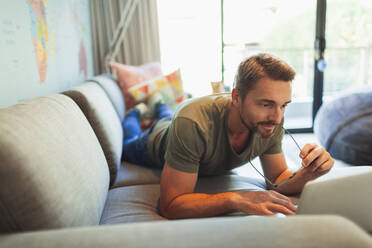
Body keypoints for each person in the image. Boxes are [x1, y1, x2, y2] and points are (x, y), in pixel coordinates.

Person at [122, 53, 334, 219]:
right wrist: (236, 198)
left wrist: (310, 172)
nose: (277, 118)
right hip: (154, 141)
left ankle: (158, 104)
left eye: (284, 105)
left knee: (165, 113)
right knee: (130, 138)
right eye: (266, 104)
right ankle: (134, 112)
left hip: (176, 124)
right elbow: (171, 205)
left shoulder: (271, 120)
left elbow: (277, 179)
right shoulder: (192, 122)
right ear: (236, 97)